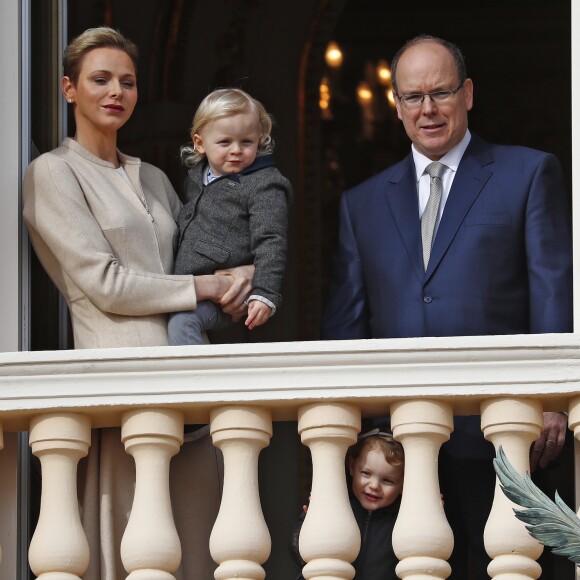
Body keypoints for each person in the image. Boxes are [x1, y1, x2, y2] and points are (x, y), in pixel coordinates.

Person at [322, 34, 573, 579]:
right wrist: (347, 444)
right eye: (413, 96)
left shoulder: (527, 173)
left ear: (468, 94)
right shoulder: (360, 203)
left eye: (440, 92)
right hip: (401, 452)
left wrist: (553, 398)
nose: (427, 109)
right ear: (396, 106)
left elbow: (552, 290)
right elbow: (346, 328)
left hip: (506, 438)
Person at [23, 27, 253, 580]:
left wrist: (241, 269)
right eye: (100, 80)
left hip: (190, 384)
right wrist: (202, 287)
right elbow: (103, 282)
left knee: (201, 549)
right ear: (68, 89)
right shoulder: (53, 173)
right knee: (136, 552)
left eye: (127, 81)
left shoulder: (151, 176)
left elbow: (193, 258)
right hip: (123, 388)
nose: (116, 92)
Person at [168, 88, 292, 345]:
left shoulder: (264, 186)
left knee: (183, 321)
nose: (236, 150)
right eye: (225, 142)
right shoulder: (196, 177)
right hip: (186, 285)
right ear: (200, 143)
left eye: (246, 142)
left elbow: (271, 240)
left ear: (259, 139)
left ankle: (196, 383)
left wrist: (264, 293)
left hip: (225, 293)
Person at [290, 429, 404, 580]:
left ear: (404, 484)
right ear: (351, 466)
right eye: (366, 473)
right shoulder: (337, 507)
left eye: (387, 480)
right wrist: (308, 521)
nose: (375, 485)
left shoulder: (402, 520)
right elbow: (299, 554)